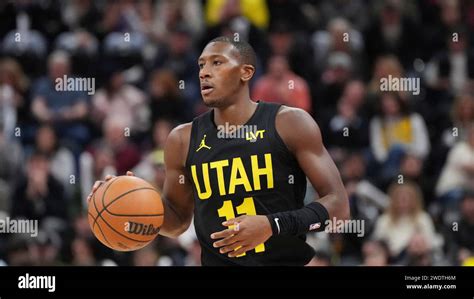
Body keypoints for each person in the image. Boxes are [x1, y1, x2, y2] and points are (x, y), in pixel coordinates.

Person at [88, 36, 349, 266]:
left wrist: (272, 225)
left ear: (246, 72)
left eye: (217, 63)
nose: (204, 72)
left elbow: (339, 207)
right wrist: (127, 202)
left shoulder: (289, 122)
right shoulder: (181, 139)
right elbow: (177, 221)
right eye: (201, 64)